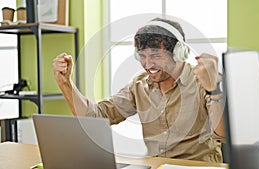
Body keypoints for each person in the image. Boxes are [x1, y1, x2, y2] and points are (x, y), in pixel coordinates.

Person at [52, 18, 225, 163]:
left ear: (179, 52)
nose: (148, 65)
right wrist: (65, 83)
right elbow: (93, 117)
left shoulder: (205, 81)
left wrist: (213, 89)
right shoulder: (139, 85)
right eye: (142, 56)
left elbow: (222, 134)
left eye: (156, 56)